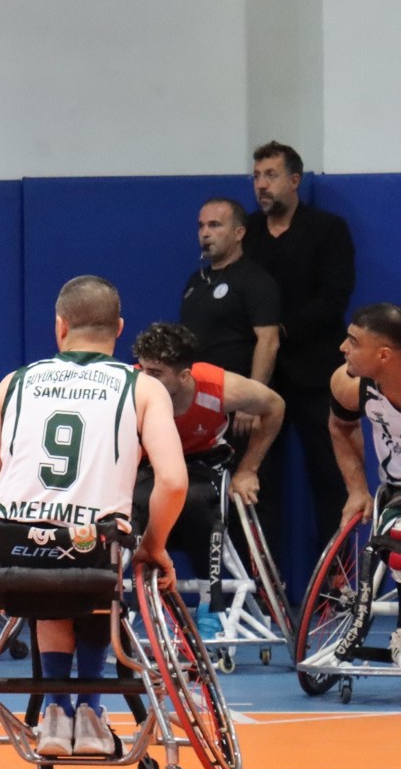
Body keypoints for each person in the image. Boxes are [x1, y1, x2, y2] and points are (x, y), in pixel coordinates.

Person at [0, 276, 188, 759]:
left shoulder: (14, 383)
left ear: (60, 327)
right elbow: (172, 481)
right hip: (95, 548)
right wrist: (154, 544)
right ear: (120, 329)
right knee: (91, 557)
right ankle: (89, 711)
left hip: (14, 548)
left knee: (46, 566)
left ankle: (56, 713)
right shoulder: (142, 387)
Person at [130, 322, 286, 635]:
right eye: (143, 369)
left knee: (201, 501)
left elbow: (275, 406)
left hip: (203, 463)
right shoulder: (131, 387)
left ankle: (210, 604)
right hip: (151, 464)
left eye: (156, 373)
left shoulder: (219, 388)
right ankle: (139, 602)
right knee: (136, 502)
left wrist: (248, 470)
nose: (145, 378)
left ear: (184, 375)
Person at [246, 141, 356, 572]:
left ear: (295, 180)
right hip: (262, 377)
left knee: (331, 479)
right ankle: (260, 586)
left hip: (316, 374)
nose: (261, 185)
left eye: (270, 175)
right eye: (256, 176)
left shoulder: (328, 230)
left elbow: (334, 298)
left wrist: (281, 331)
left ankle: (337, 586)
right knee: (258, 481)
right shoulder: (247, 233)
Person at [178, 196, 280, 394]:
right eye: (201, 226)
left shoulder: (255, 280)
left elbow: (269, 342)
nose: (205, 233)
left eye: (215, 225)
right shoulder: (195, 281)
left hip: (236, 393)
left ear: (238, 233)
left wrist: (253, 397)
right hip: (198, 392)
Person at [323, 303, 399, 535]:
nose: (342, 347)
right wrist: (357, 489)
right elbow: (340, 427)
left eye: (353, 342)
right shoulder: (349, 386)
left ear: (383, 355)